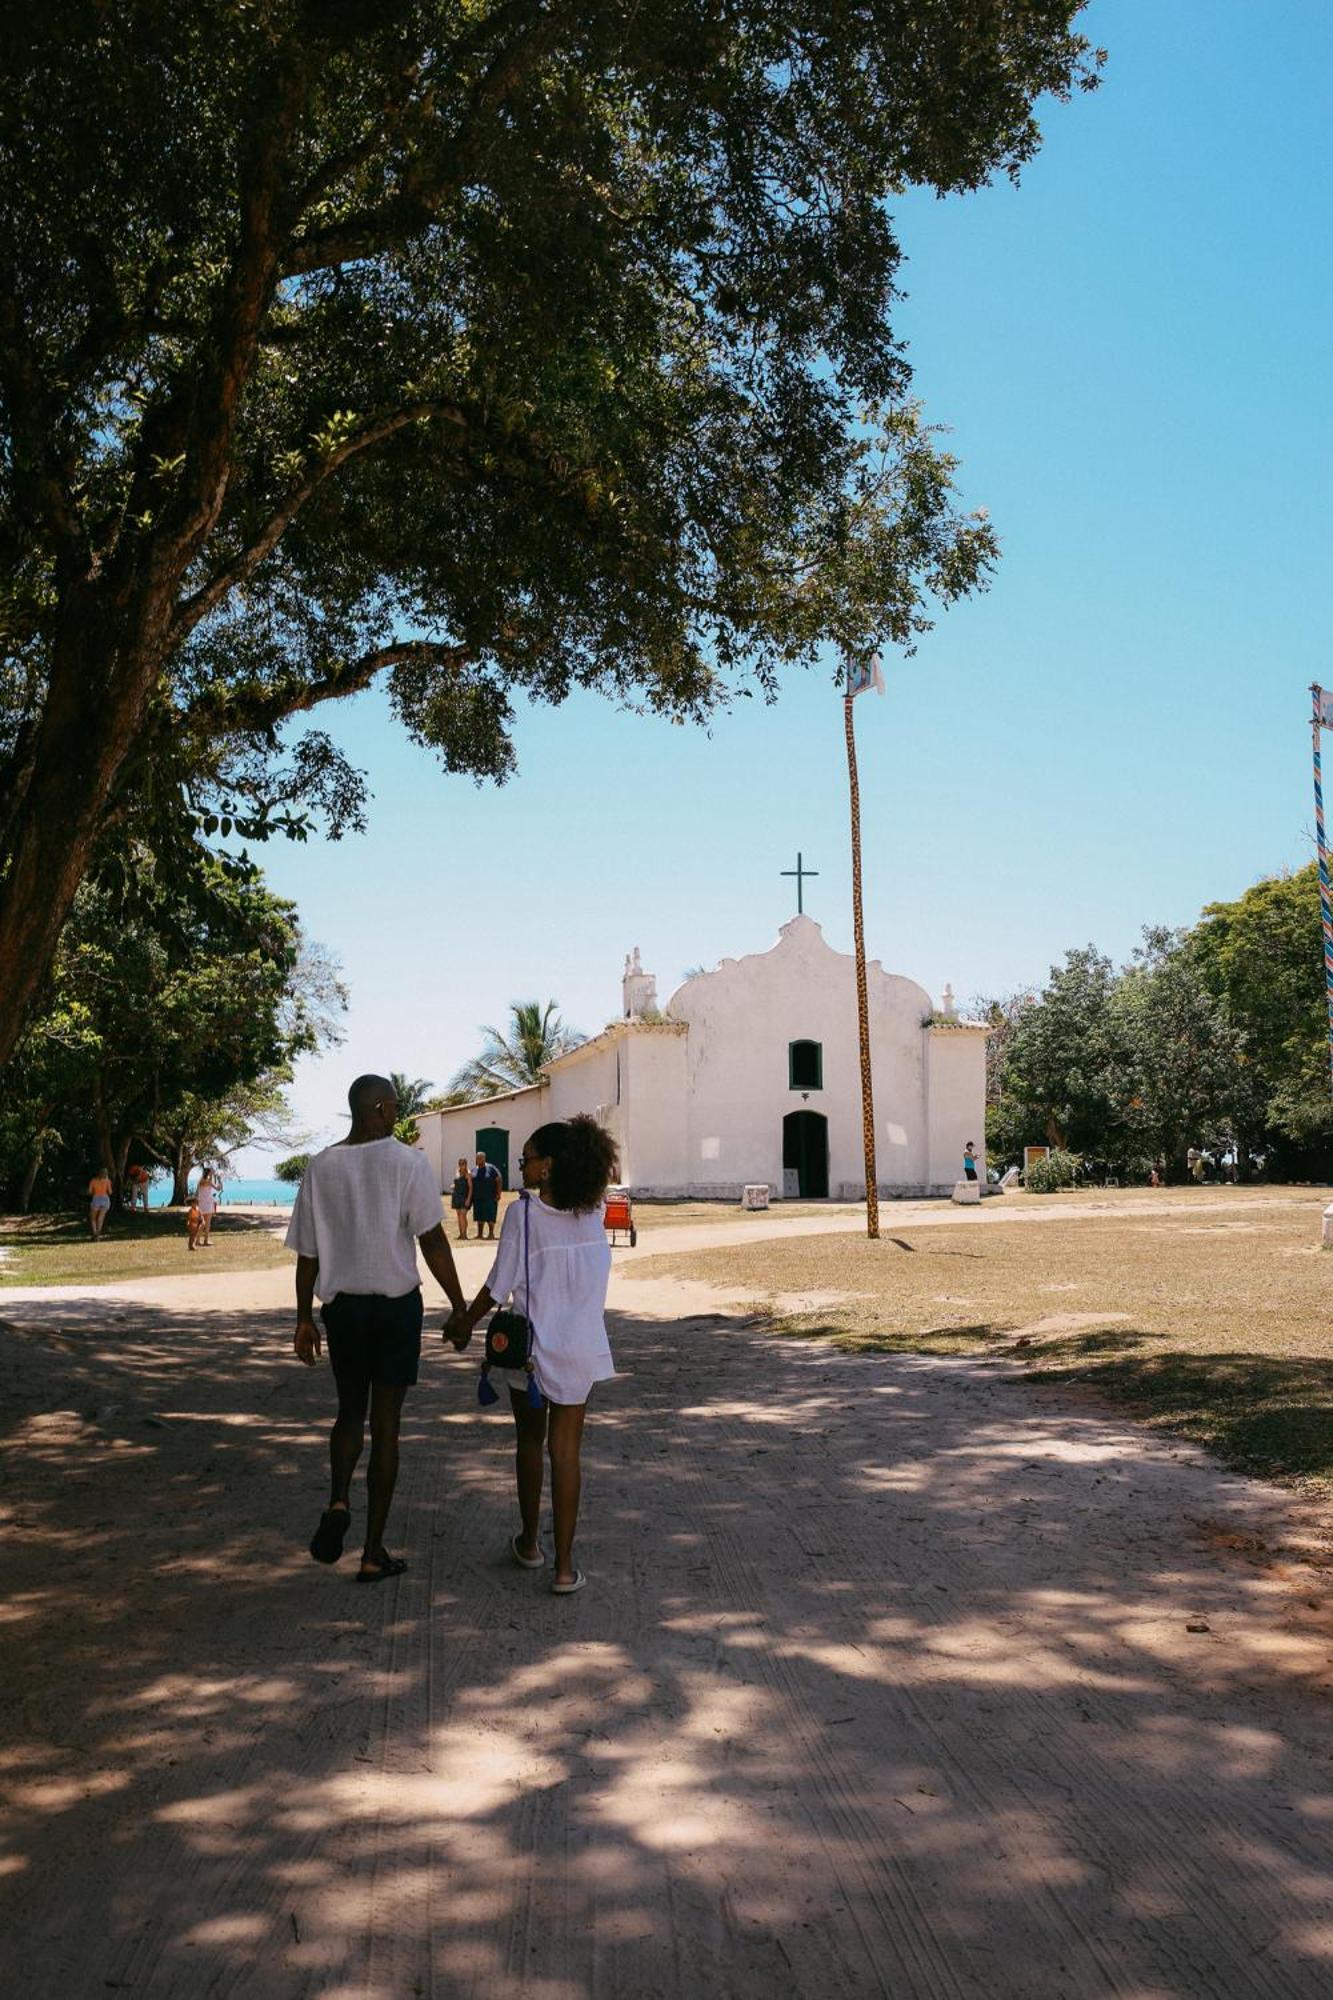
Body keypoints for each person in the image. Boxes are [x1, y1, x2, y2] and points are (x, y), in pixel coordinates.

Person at [288, 1073, 466, 1583]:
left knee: (349, 1412)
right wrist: (458, 1306)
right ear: (382, 1109)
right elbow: (432, 1240)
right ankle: (372, 1552)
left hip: (342, 1310)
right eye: (394, 1106)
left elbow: (308, 1254)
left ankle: (339, 1500)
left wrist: (304, 1318)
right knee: (386, 1426)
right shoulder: (407, 1163)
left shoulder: (321, 1167)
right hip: (394, 1310)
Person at [447, 1115, 618, 1596]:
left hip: (533, 1354)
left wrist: (464, 1324)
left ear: (549, 1166)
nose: (520, 1167)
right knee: (567, 1453)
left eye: (527, 1159)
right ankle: (564, 1568)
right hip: (582, 1348)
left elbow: (499, 1286)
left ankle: (529, 1543)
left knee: (530, 1444)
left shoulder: (523, 1215)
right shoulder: (595, 1212)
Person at [471, 1150, 501, 1240]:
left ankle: (491, 1234)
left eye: (481, 1158)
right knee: (479, 1215)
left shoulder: (491, 1168)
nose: (479, 1159)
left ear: (484, 1158)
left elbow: (499, 1180)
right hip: (477, 1197)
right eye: (477, 1158)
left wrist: (498, 1193)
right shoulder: (474, 1169)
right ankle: (479, 1234)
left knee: (490, 1215)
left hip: (490, 1196)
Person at [450, 1157, 473, 1241]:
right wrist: (453, 1186)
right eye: (460, 1164)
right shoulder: (457, 1172)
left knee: (463, 1215)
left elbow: (470, 1188)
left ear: (466, 1164)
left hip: (465, 1196)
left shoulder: (468, 1174)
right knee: (459, 1215)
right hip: (457, 1196)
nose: (461, 1165)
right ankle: (460, 1234)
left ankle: (464, 1234)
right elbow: (456, 1183)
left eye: (463, 1164)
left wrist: (468, 1199)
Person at [195, 1169, 219, 1245]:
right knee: (207, 1223)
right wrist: (220, 1184)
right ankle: (205, 1240)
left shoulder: (200, 1181)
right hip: (208, 1203)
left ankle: (197, 1240)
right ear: (209, 1173)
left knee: (203, 1223)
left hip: (201, 1203)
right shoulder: (208, 1181)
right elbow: (217, 1188)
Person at [88, 1169, 113, 1240]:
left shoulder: (93, 1181)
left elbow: (90, 1192)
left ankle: (95, 1233)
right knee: (100, 1218)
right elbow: (110, 1192)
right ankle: (98, 1235)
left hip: (96, 1198)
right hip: (105, 1199)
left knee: (93, 1218)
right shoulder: (107, 1181)